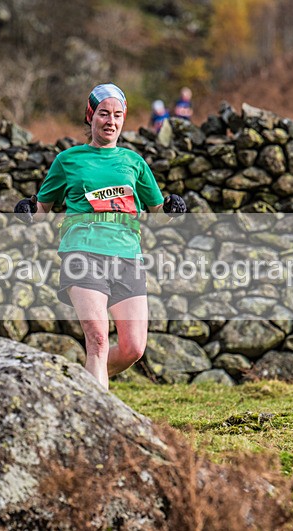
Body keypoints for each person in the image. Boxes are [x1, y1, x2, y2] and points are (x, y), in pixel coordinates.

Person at [14, 83, 186, 390]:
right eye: (104, 114)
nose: (111, 121)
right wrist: (27, 208)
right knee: (97, 339)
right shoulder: (68, 160)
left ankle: (77, 383)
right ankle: (99, 423)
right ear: (90, 116)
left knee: (134, 348)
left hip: (126, 254)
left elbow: (157, 210)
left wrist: (173, 208)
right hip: (83, 251)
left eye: (117, 115)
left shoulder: (134, 162)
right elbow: (42, 207)